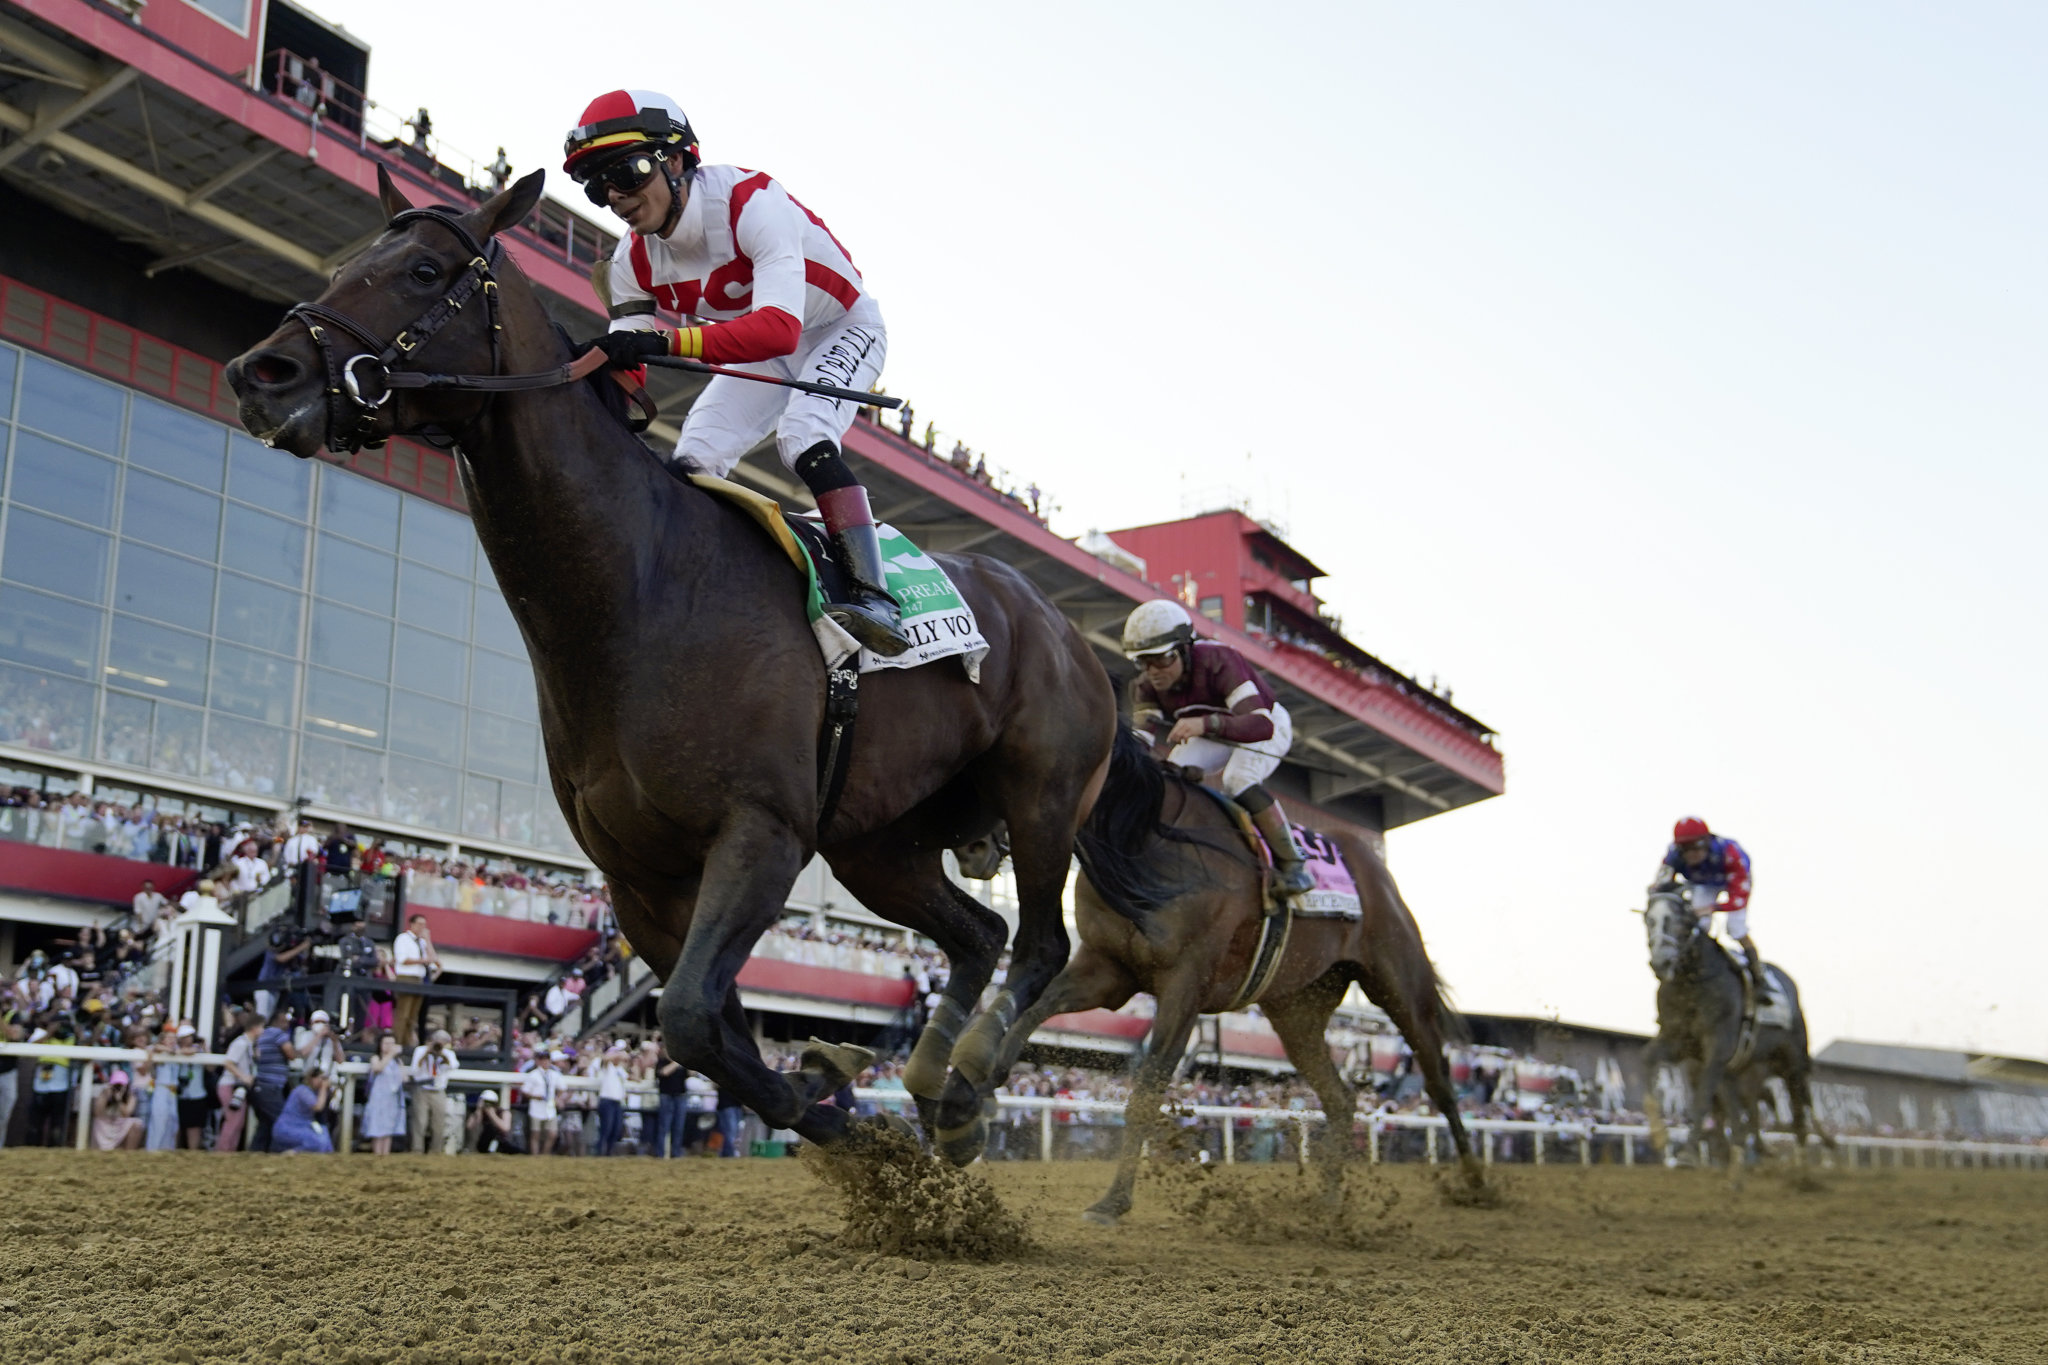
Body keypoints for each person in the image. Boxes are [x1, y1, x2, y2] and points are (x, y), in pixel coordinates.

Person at [562, 89, 910, 656]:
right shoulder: (629, 263)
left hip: (838, 326)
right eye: (598, 186)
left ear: (675, 160)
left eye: (627, 171)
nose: (617, 196)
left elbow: (779, 330)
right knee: (694, 457)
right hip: (763, 339)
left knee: (804, 437)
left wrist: (664, 340)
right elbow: (632, 377)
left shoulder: (752, 201)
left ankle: (875, 599)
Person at [1120, 599, 1312, 897]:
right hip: (1215, 729)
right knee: (1170, 778)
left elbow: (1260, 726)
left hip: (1262, 721)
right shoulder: (1145, 686)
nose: (1153, 671)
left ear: (1185, 649)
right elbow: (1140, 745)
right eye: (1143, 662)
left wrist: (1205, 724)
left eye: (1162, 659)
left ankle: (1293, 864)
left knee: (1237, 780)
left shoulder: (1220, 660)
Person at [1655, 816, 1768, 997]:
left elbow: (1737, 900)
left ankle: (1758, 974)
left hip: (1732, 880)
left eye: (1696, 847)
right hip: (1703, 883)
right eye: (1685, 849)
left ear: (1706, 842)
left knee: (1735, 928)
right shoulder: (1673, 855)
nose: (1691, 854)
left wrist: (1713, 908)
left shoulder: (1732, 855)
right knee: (1699, 924)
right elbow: (1660, 884)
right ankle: (1691, 966)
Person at [215, 1011, 261, 1152]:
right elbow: (229, 1063)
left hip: (236, 1086)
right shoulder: (241, 1043)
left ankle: (229, 1150)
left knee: (237, 1121)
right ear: (255, 1028)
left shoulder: (247, 1044)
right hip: (231, 1085)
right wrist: (243, 1077)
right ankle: (223, 1152)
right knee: (233, 1120)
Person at [390, 914, 438, 1048]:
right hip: (406, 977)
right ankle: (397, 1042)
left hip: (419, 979)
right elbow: (403, 959)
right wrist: (423, 961)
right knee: (403, 1014)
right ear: (412, 924)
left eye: (424, 925)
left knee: (412, 1016)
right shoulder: (403, 939)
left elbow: (433, 959)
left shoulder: (422, 942)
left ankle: (406, 1043)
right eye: (420, 924)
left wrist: (428, 941)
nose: (422, 927)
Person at [253, 1006, 297, 1151]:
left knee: (266, 1123)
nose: (287, 1025)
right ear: (279, 1021)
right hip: (271, 1086)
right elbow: (291, 1054)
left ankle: (256, 1151)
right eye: (285, 1021)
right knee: (281, 1120)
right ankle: (277, 1151)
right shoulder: (278, 1034)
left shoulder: (263, 1035)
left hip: (261, 1084)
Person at [408, 1028, 457, 1155]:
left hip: (439, 1090)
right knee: (420, 1121)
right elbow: (414, 1070)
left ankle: (436, 1150)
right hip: (422, 1089)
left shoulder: (448, 1053)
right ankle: (417, 1149)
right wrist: (427, 1053)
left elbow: (453, 1066)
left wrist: (441, 1054)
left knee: (439, 1122)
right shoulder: (420, 1050)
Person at [362, 1032, 407, 1155]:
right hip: (378, 1097)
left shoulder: (398, 1062)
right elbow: (378, 1068)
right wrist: (391, 1054)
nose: (389, 1046)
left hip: (392, 1098)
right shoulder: (376, 1058)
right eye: (386, 1043)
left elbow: (404, 1078)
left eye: (392, 1043)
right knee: (377, 1126)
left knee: (389, 1128)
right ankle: (377, 1153)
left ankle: (386, 1153)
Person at [270, 1073, 335, 1154]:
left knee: (326, 1145)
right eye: (320, 1078)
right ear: (311, 1078)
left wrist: (326, 1089)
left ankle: (294, 1152)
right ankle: (292, 1152)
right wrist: (323, 1088)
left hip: (303, 1127)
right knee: (319, 1142)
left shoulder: (315, 1092)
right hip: (287, 1129)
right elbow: (318, 1106)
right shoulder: (302, 1090)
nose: (322, 1081)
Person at [523, 1049, 565, 1156]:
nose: (544, 1062)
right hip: (536, 1106)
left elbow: (562, 1087)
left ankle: (545, 1153)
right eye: (542, 1060)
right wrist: (535, 1096)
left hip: (549, 1106)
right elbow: (525, 1091)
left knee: (552, 1133)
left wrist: (557, 1098)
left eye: (546, 1060)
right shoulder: (533, 1075)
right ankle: (535, 1155)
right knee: (536, 1133)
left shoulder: (554, 1074)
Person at [90, 1070, 145, 1150]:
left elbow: (127, 1113)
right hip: (105, 1125)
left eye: (121, 1085)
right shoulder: (105, 1093)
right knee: (97, 1121)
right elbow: (97, 1113)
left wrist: (119, 1100)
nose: (118, 1088)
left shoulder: (131, 1096)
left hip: (121, 1125)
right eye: (116, 1085)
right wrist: (106, 1096)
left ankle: (129, 1153)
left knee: (137, 1124)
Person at [593, 1043, 628, 1155]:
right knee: (606, 1129)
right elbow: (606, 1059)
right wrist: (617, 1054)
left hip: (617, 1101)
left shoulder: (620, 1070)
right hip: (607, 1100)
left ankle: (608, 1152)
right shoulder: (607, 1067)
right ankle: (600, 1153)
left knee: (615, 1129)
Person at [472, 1090, 523, 1154]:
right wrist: (478, 1110)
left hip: (503, 1143)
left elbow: (505, 1128)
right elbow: (470, 1126)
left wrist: (492, 1115)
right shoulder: (480, 1113)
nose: (488, 1105)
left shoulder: (504, 1113)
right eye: (486, 1102)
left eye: (490, 1103)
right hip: (485, 1143)